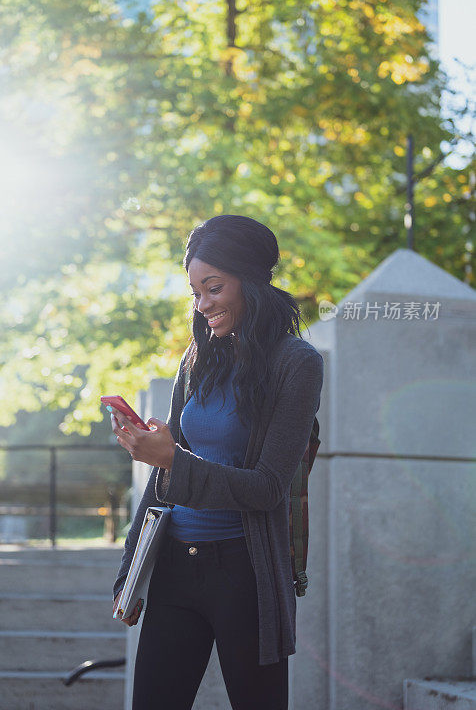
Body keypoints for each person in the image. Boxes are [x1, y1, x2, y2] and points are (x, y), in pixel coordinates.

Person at [109, 214, 324, 710]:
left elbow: (268, 488)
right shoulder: (195, 361)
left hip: (245, 574)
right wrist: (131, 571)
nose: (203, 305)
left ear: (249, 282)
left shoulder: (297, 363)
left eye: (213, 288)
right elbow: (162, 479)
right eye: (195, 292)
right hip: (173, 569)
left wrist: (173, 461)